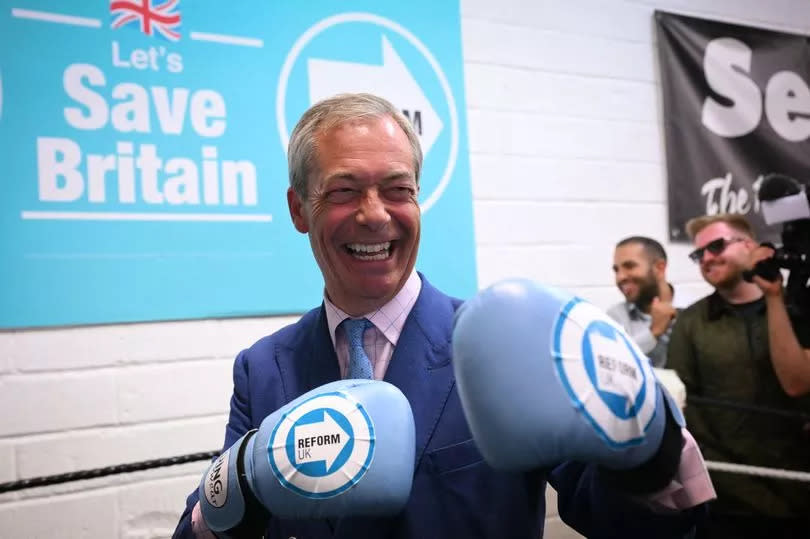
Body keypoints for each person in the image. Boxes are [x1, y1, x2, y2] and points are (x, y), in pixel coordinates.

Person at [173, 93, 712, 539]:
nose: (376, 214)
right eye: (344, 191)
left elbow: (643, 527)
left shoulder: (494, 346)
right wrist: (238, 487)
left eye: (397, 189)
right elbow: (199, 532)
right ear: (298, 210)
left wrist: (653, 445)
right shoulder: (263, 366)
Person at [667, 213, 810, 538]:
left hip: (802, 492)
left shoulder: (798, 307)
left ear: (750, 246)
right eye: (698, 253)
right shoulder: (690, 324)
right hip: (729, 506)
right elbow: (686, 415)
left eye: (716, 246)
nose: (706, 258)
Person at [608, 236, 679, 367]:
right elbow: (613, 365)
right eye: (616, 270)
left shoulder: (695, 310)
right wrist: (653, 332)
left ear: (659, 268)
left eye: (629, 266)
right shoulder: (615, 317)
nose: (620, 277)